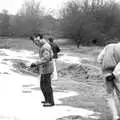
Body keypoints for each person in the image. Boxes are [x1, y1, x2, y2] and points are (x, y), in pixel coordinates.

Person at [97, 42, 120, 120]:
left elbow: (99, 59)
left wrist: (104, 69)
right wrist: (114, 74)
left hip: (107, 74)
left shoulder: (108, 46)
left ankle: (115, 116)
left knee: (110, 95)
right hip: (118, 74)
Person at [32, 33, 55, 107]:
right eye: (36, 40)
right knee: (43, 85)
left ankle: (50, 102)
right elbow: (38, 44)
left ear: (40, 39)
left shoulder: (45, 47)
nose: (36, 42)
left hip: (47, 68)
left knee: (46, 86)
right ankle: (47, 100)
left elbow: (46, 58)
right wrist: (33, 40)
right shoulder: (43, 44)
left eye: (37, 40)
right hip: (45, 68)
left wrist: (36, 63)